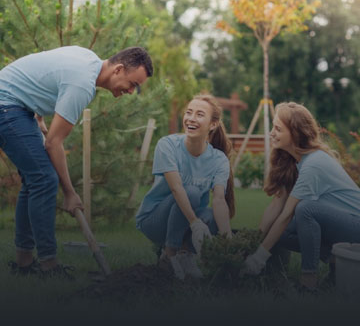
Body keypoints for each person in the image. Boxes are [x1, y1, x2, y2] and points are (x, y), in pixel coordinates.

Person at [0, 45, 153, 277]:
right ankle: (48, 265)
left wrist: (39, 115)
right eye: (133, 84)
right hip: (7, 105)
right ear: (119, 69)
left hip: (18, 104)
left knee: (35, 180)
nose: (132, 91)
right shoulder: (82, 83)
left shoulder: (88, 60)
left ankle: (24, 263)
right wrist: (70, 193)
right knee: (43, 179)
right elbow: (53, 143)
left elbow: (45, 72)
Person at [244, 102, 360, 290]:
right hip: (340, 226)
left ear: (295, 134)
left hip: (356, 226)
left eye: (278, 129)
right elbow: (276, 205)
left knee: (305, 209)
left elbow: (287, 214)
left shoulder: (313, 163)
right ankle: (336, 263)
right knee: (283, 231)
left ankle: (308, 283)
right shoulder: (294, 161)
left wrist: (259, 258)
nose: (271, 133)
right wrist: (251, 242)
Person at [136, 94, 234, 279]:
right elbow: (177, 189)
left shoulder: (218, 159)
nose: (191, 118)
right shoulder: (168, 145)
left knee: (212, 216)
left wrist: (227, 240)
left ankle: (185, 256)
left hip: (186, 219)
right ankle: (169, 254)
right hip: (155, 221)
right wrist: (195, 223)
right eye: (189, 113)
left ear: (212, 125)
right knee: (191, 192)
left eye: (199, 114)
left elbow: (219, 200)